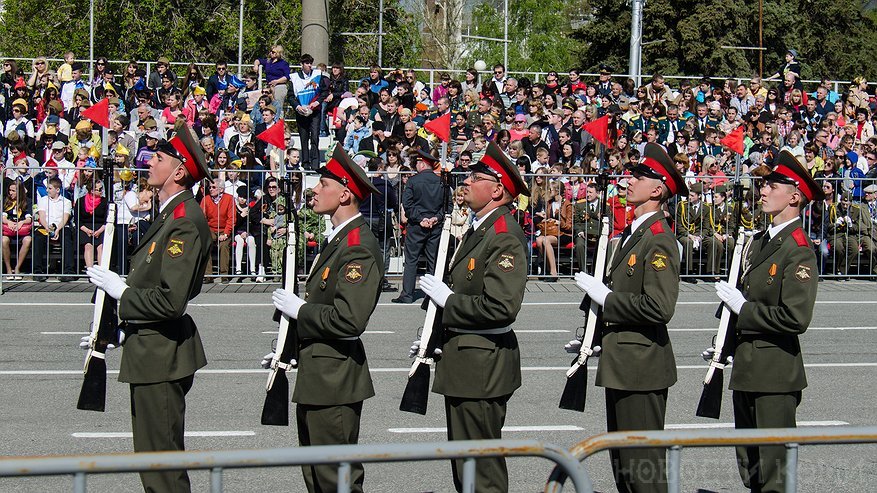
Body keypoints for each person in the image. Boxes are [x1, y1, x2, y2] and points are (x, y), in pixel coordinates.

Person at [85, 120, 212, 493]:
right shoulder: (169, 215)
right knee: (151, 460)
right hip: (148, 349)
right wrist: (123, 328)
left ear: (178, 171)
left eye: (157, 158)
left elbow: (172, 299)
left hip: (162, 356)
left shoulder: (184, 221)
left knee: (163, 467)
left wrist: (122, 293)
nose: (148, 164)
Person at [572, 142, 687, 493]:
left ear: (657, 189)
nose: (628, 181)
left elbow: (658, 306)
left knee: (643, 472)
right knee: (625, 469)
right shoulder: (633, 234)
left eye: (638, 177)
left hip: (641, 367)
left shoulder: (658, 239)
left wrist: (607, 298)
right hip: (623, 362)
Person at [419, 141, 530, 493]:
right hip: (465, 361)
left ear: (497, 189)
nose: (464, 182)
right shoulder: (479, 228)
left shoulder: (503, 236)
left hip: (482, 365)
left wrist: (448, 302)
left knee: (481, 471)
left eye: (474, 177)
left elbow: (500, 307)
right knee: (465, 466)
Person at [270, 146, 382, 493]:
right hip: (318, 373)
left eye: (322, 184)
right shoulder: (338, 241)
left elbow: (348, 319)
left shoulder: (357, 245)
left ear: (345, 193)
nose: (314, 190)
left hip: (334, 378)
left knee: (336, 480)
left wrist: (299, 311)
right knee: (318, 478)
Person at [709, 150, 822, 493]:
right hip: (746, 368)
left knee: (773, 474)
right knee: (751, 470)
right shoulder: (759, 241)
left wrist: (743, 310)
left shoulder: (797, 249)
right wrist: (725, 342)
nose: (762, 190)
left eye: (772, 185)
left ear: (794, 196)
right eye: (764, 184)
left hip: (774, 374)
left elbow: (794, 316)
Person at [393, 150, 444, 303]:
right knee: (432, 261)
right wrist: (436, 218)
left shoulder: (413, 181)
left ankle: (407, 294)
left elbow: (407, 205)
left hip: (417, 225)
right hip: (435, 225)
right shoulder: (441, 181)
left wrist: (421, 218)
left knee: (411, 260)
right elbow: (447, 205)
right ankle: (432, 295)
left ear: (422, 164)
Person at [289, 54, 324, 170]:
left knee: (315, 137)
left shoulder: (317, 75)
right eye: (307, 63)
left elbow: (324, 92)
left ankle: (315, 164)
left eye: (310, 63)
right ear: (301, 65)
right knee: (304, 138)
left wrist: (317, 102)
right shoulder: (294, 77)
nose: (309, 65)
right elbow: (290, 96)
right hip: (301, 112)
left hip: (315, 112)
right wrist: (298, 107)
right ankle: (305, 163)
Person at [200, 177, 235, 283]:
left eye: (214, 187)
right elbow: (202, 218)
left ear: (221, 189)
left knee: (224, 246)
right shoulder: (205, 199)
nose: (211, 189)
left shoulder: (229, 199)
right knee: (205, 243)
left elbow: (232, 218)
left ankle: (224, 275)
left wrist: (226, 233)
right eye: (210, 187)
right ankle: (208, 275)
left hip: (224, 228)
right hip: (210, 228)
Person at [2, 180, 34, 280]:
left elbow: (29, 218)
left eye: (13, 191)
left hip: (22, 228)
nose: (10, 193)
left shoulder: (27, 201)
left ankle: (17, 268)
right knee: (4, 240)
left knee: (28, 240)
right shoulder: (5, 200)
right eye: (10, 190)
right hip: (9, 228)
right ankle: (8, 268)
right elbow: (2, 216)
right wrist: (8, 222)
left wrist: (21, 222)